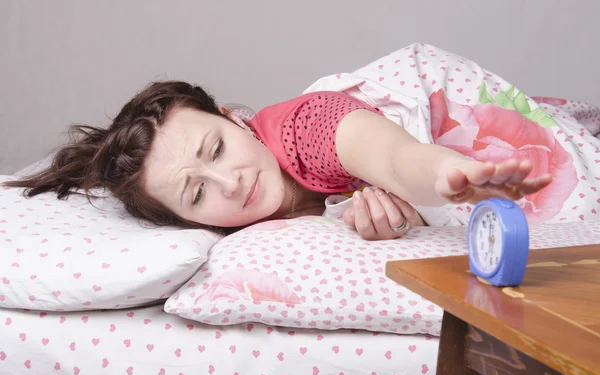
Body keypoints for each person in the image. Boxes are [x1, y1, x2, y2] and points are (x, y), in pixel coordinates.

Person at [3, 81, 551, 240]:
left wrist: (446, 177)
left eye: (215, 148)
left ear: (232, 117)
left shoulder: (305, 129)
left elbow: (393, 154)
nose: (228, 181)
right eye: (196, 194)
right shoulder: (243, 237)